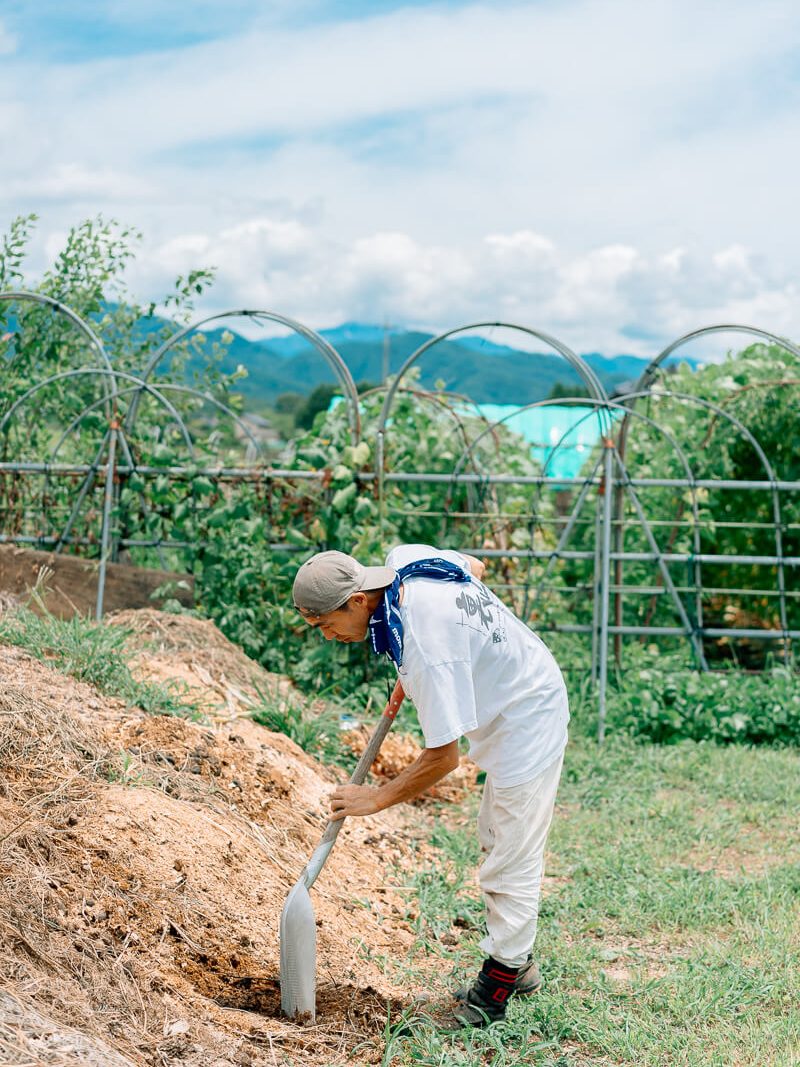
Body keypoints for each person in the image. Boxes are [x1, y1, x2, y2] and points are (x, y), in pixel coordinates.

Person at [292, 543, 569, 1029]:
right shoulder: (406, 561)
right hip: (510, 691)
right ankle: (518, 963)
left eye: (325, 623)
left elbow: (445, 757)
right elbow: (475, 568)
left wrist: (374, 798)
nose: (327, 636)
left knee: (511, 857)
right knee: (494, 836)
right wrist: (464, 647)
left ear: (359, 600)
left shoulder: (427, 649)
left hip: (529, 714)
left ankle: (498, 987)